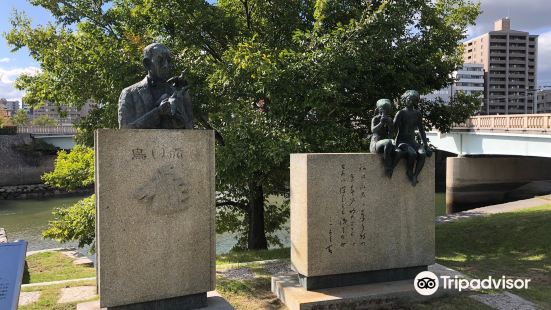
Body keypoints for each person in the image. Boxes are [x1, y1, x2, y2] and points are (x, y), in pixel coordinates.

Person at [118, 43, 193, 129]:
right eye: (160, 60)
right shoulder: (129, 93)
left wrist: (181, 103)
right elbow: (125, 131)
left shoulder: (180, 92)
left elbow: (190, 129)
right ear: (147, 64)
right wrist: (157, 113)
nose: (166, 65)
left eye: (168, 60)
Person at [393, 90, 432, 186]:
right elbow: (393, 128)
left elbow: (421, 130)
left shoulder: (417, 113)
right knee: (412, 153)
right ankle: (409, 171)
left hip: (412, 141)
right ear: (405, 100)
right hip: (402, 141)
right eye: (408, 99)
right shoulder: (401, 113)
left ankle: (415, 175)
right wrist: (392, 144)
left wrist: (426, 145)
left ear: (415, 102)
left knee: (422, 154)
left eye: (412, 100)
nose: (410, 101)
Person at [370, 99, 401, 177]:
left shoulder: (389, 119)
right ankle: (387, 165)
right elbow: (373, 130)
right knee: (387, 142)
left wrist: (390, 125)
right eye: (384, 110)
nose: (386, 112)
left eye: (387, 110)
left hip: (387, 145)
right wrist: (381, 123)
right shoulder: (376, 119)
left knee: (399, 151)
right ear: (380, 110)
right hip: (376, 144)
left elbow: (391, 134)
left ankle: (391, 168)